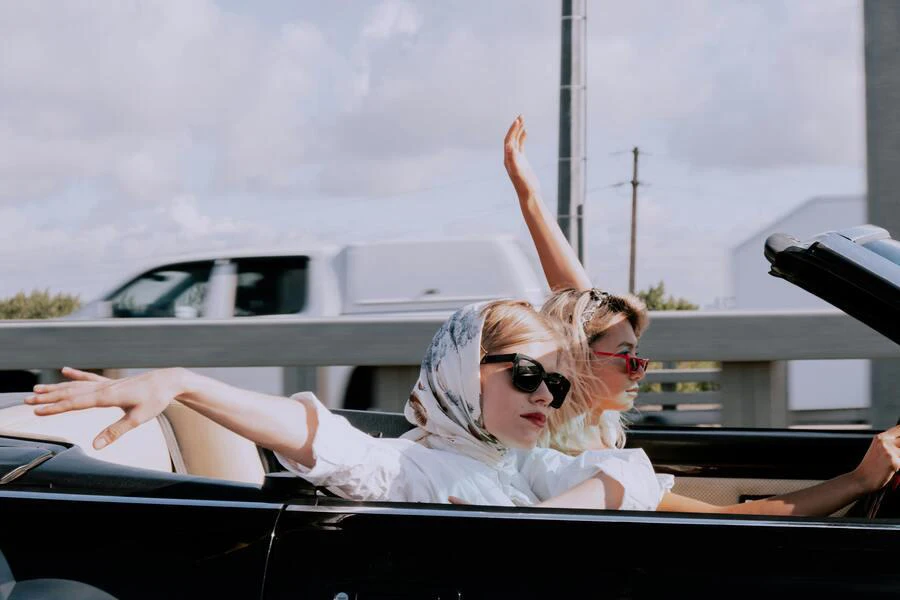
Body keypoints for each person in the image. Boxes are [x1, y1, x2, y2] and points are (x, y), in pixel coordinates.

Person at [503, 114, 900, 516]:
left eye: (639, 357)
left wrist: (530, 198)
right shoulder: (582, 469)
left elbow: (577, 301)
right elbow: (720, 523)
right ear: (575, 361)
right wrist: (859, 481)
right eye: (629, 357)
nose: (641, 371)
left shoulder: (583, 426)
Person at [24, 300, 669, 510]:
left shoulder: (511, 466)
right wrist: (184, 383)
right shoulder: (417, 469)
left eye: (556, 385)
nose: (544, 395)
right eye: (529, 374)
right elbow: (322, 440)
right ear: (463, 373)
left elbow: (626, 475)